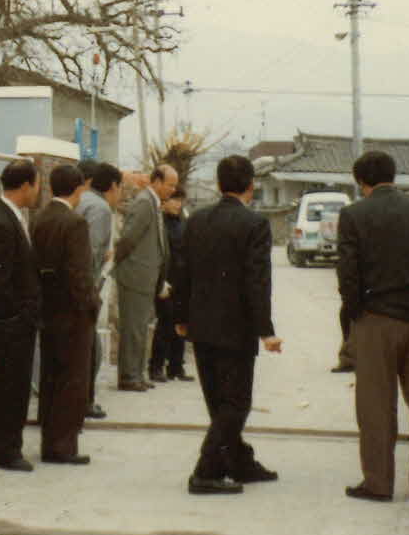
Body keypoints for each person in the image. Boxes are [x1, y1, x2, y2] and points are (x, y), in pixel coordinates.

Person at [336, 149, 409, 504]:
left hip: (376, 319)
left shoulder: (354, 215)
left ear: (361, 182)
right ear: (393, 175)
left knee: (375, 405)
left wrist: (356, 315)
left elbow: (348, 272)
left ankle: (378, 482)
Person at [172, 154, 283, 495]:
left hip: (201, 326)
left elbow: (181, 272)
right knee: (235, 404)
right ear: (251, 186)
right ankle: (205, 472)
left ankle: (239, 462)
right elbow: (257, 281)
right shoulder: (254, 224)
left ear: (219, 185)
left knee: (219, 402)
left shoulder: (196, 221)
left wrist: (180, 317)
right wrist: (266, 331)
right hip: (236, 329)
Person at [0, 159, 42, 472]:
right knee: (13, 384)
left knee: (6, 381)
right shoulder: (0, 222)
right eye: (37, 184)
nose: (38, 191)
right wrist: (20, 316)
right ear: (26, 185)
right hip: (9, 321)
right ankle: (7, 450)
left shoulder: (10, 216)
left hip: (11, 319)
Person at [31, 163, 99, 467]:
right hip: (73, 313)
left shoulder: (40, 218)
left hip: (47, 308)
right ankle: (63, 445)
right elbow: (79, 274)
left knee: (50, 376)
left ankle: (49, 439)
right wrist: (91, 305)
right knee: (73, 380)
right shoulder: (75, 223)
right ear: (79, 188)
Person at [113, 164, 173, 391]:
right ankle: (129, 376)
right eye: (170, 184)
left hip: (146, 276)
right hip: (135, 275)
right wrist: (119, 263)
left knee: (140, 327)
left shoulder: (153, 203)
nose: (172, 189)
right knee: (133, 329)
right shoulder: (144, 203)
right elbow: (128, 238)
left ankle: (136, 373)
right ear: (156, 181)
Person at [76, 162, 121, 416]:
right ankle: (84, 402)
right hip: (85, 288)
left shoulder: (81, 200)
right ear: (113, 186)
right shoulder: (101, 209)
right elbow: (91, 253)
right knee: (92, 349)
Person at [148, 192, 192, 383]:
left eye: (180, 201)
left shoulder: (183, 221)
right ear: (164, 201)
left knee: (182, 322)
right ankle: (156, 367)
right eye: (174, 200)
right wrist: (161, 280)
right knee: (165, 322)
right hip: (166, 279)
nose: (178, 204)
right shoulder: (160, 223)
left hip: (183, 280)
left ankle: (176, 366)